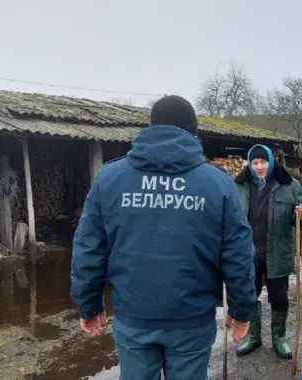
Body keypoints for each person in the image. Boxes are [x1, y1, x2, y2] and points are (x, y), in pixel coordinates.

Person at [70, 95, 258, 380]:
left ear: (150, 127)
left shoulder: (109, 178)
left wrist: (88, 304)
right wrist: (241, 307)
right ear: (193, 132)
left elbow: (88, 249)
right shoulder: (218, 183)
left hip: (134, 317)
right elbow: (238, 254)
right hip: (191, 320)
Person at [233, 144, 302, 359]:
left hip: (277, 252)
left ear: (271, 161)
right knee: (250, 296)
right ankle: (253, 337)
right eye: (255, 162)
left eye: (263, 162)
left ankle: (278, 338)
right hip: (248, 253)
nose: (259, 166)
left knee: (279, 298)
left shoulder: (289, 185)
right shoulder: (239, 185)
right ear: (250, 164)